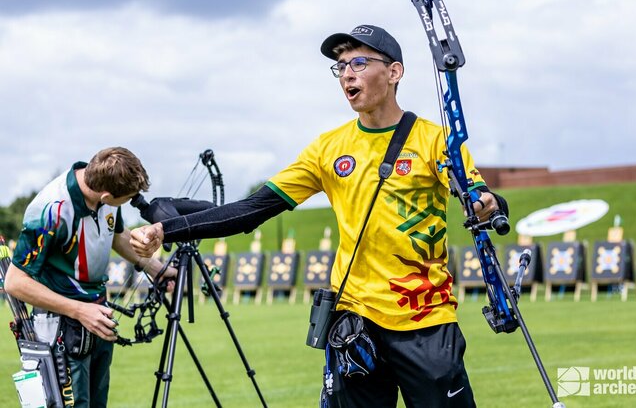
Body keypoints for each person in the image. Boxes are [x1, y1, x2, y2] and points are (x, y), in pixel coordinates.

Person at [130, 25, 509, 407]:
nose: (347, 73)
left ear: (394, 72)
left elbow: (479, 195)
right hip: (355, 321)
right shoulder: (328, 149)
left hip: (425, 321)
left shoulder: (434, 139)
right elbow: (250, 211)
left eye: (359, 62)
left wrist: (487, 204)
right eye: (341, 66)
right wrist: (167, 229)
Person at [5, 146, 177, 408]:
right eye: (127, 198)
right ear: (107, 195)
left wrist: (155, 268)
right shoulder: (49, 209)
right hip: (61, 329)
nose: (131, 202)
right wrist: (79, 311)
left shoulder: (102, 194)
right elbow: (15, 282)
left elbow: (116, 233)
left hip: (98, 318)